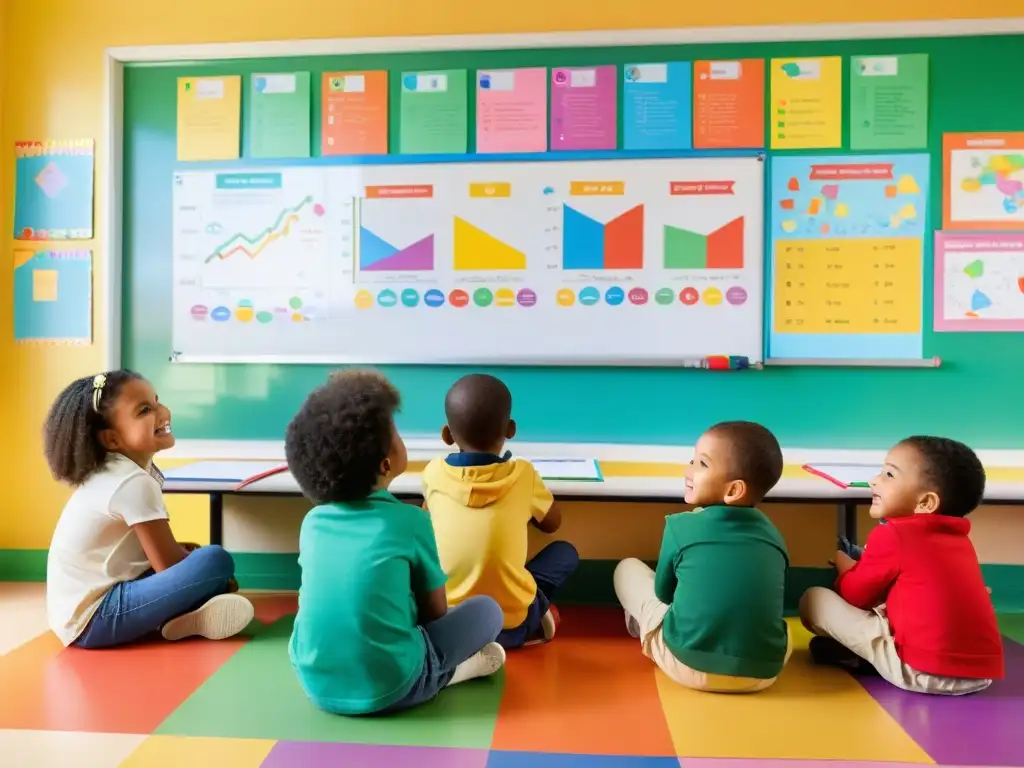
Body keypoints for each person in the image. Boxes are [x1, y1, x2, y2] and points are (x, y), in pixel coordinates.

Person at [285, 369, 506, 715]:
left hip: (314, 682)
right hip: (395, 685)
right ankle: (448, 675)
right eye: (396, 432)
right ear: (386, 463)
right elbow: (436, 614)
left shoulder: (311, 523)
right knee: (489, 611)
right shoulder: (410, 521)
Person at [44, 370, 253, 649]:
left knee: (195, 553)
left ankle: (179, 620)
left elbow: (158, 557)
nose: (163, 412)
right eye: (145, 410)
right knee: (215, 560)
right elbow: (167, 565)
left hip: (80, 615)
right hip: (94, 621)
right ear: (112, 440)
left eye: (157, 402)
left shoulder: (118, 472)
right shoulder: (131, 481)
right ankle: (183, 612)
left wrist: (191, 560)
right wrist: (215, 576)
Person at [800, 436, 1004, 695]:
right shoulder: (961, 541)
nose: (875, 480)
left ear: (926, 503)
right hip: (979, 675)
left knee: (814, 599)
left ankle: (869, 657)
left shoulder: (894, 534)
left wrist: (846, 567)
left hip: (922, 671)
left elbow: (855, 596)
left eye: (889, 474)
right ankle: (864, 656)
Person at [614, 421, 791, 692]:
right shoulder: (775, 536)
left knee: (627, 568)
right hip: (762, 675)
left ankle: (645, 632)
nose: (689, 471)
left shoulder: (680, 526)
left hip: (687, 666)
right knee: (785, 631)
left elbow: (664, 594)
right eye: (692, 461)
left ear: (733, 490)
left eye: (702, 465)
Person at [422, 373, 579, 649]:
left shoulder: (433, 474)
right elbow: (553, 522)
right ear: (510, 430)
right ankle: (537, 612)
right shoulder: (523, 475)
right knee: (565, 552)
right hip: (512, 627)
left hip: (450, 628)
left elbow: (426, 522)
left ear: (446, 435)